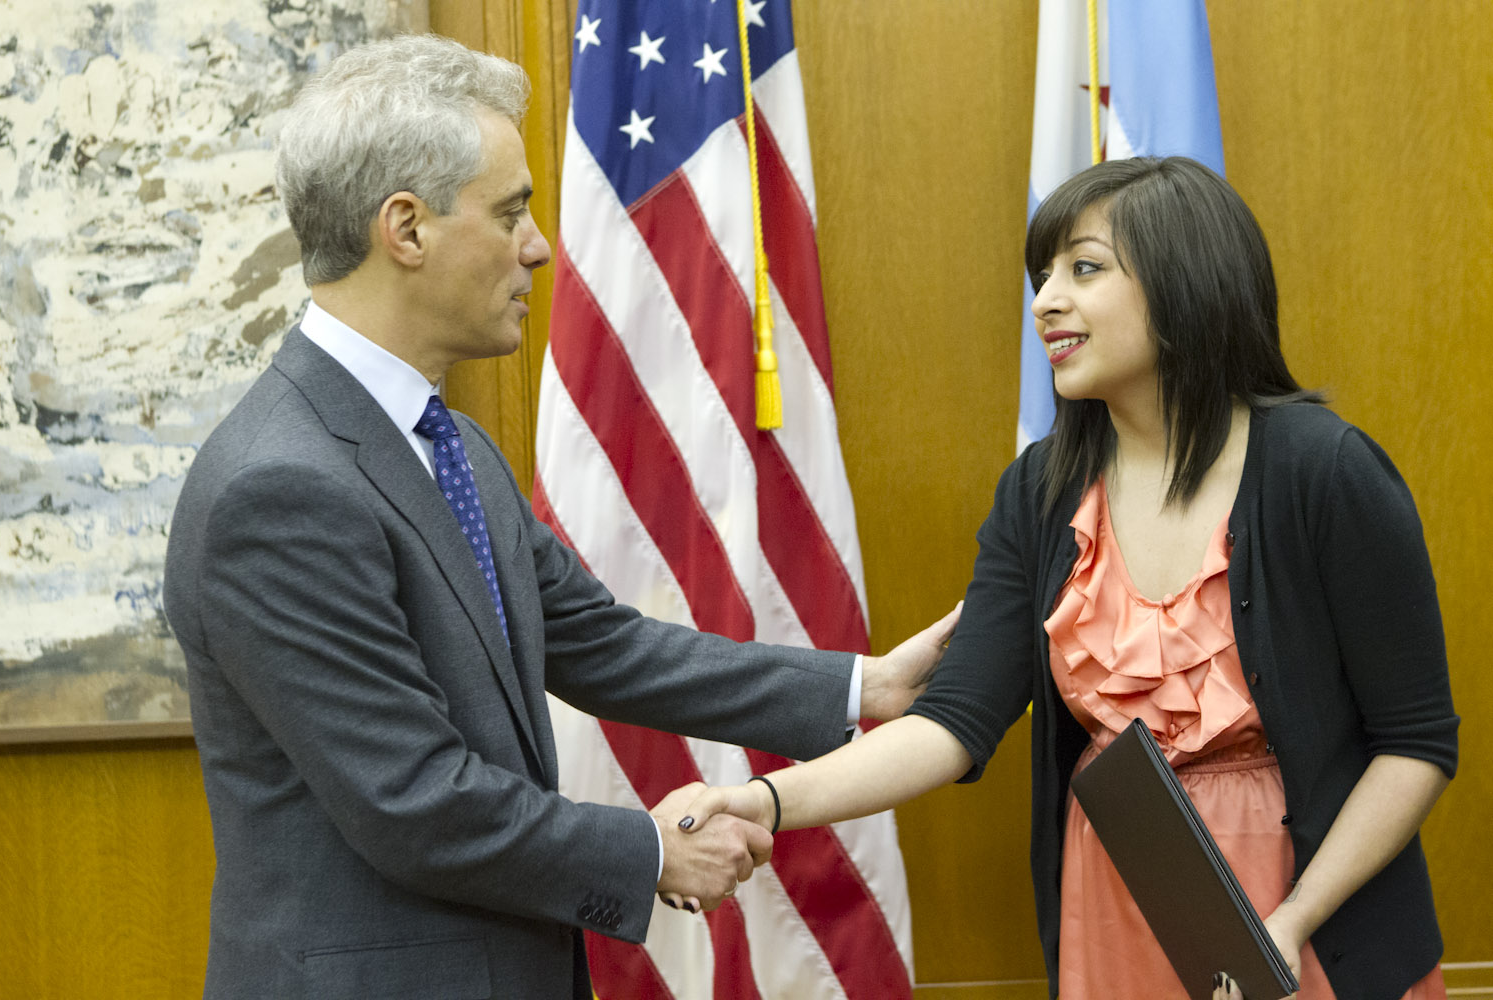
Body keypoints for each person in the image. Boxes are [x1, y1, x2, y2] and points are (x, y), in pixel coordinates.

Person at [162, 34, 957, 1000]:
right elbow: (412, 801)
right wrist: (648, 852)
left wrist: (864, 690)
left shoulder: (450, 444)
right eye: (511, 212)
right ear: (405, 229)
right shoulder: (278, 488)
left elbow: (604, 646)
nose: (540, 244)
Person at [678, 156, 1459, 1000]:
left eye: (1084, 269)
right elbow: (950, 724)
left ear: (1185, 281)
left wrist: (1292, 920)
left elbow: (1415, 743)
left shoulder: (1324, 470)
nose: (1046, 299)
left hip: (1310, 917)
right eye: (1043, 274)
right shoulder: (1040, 492)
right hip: (1118, 911)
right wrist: (765, 800)